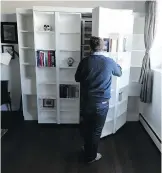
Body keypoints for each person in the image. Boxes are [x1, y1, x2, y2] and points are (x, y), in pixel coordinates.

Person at [75, 36, 122, 163]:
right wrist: (117, 64)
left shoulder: (85, 61)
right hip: (101, 103)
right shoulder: (109, 62)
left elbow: (77, 78)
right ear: (103, 47)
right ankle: (91, 156)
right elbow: (119, 72)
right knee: (96, 131)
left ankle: (87, 148)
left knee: (87, 127)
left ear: (90, 47)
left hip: (86, 102)